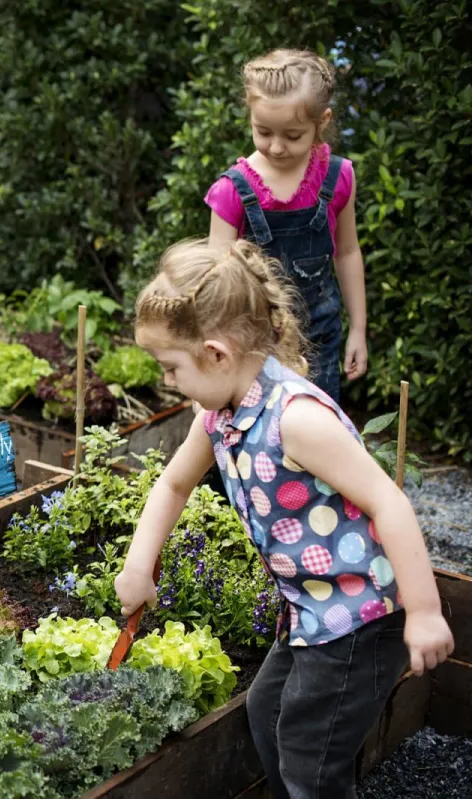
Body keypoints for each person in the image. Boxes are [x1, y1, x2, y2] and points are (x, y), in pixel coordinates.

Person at [114, 239, 453, 799]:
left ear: (217, 353)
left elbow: (387, 501)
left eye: (170, 367)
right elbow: (173, 484)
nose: (168, 382)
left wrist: (424, 612)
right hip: (313, 607)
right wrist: (137, 565)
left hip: (361, 614)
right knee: (268, 709)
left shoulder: (296, 420)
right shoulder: (219, 414)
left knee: (309, 754)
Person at [206, 49, 366, 403]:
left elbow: (348, 252)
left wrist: (358, 328)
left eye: (292, 136)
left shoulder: (338, 177)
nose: (276, 147)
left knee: (314, 434)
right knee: (255, 439)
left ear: (322, 121)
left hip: (319, 340)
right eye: (262, 132)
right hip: (252, 344)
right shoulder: (232, 190)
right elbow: (216, 281)